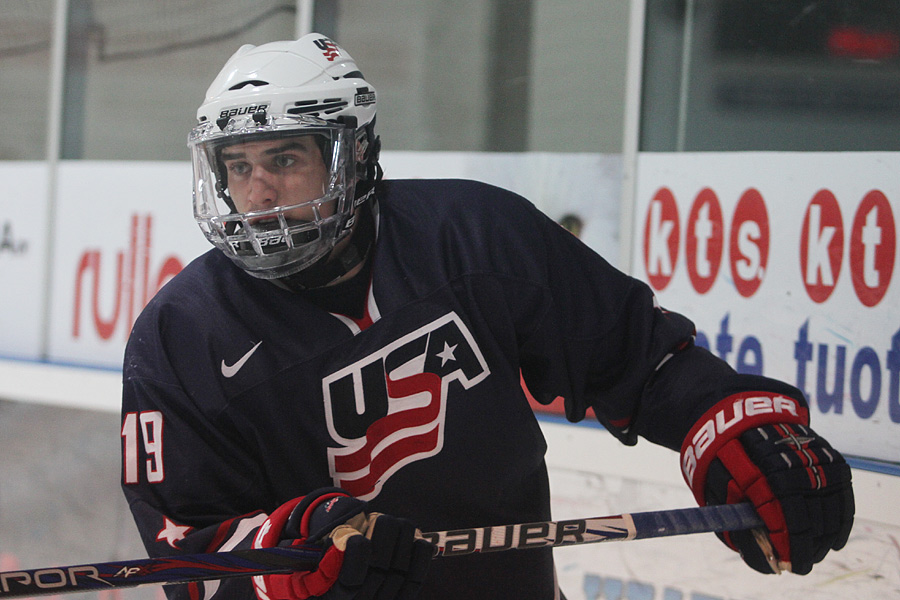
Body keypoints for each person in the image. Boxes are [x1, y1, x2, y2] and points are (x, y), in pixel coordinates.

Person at [121, 34, 854, 600]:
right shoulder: (179, 335)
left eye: (284, 159)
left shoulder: (474, 234)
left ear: (356, 154)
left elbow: (638, 357)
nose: (257, 193)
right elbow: (188, 550)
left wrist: (728, 425)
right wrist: (292, 554)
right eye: (237, 166)